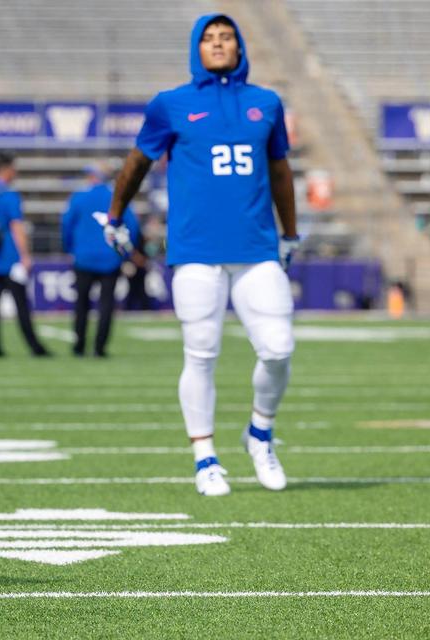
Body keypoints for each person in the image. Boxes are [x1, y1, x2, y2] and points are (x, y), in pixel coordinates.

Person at [104, 14, 299, 497]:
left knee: (278, 348)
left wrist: (290, 233)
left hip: (256, 248)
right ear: (196, 48)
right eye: (209, 38)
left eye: (226, 37)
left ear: (239, 47)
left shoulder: (266, 102)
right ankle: (205, 457)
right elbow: (137, 162)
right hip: (195, 250)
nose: (217, 44)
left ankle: (260, 432)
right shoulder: (171, 104)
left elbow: (280, 171)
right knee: (201, 352)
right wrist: (115, 215)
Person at [60, 164, 141, 358]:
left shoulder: (79, 197)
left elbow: (66, 224)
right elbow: (132, 227)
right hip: (110, 258)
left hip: (83, 258)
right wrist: (125, 252)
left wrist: (70, 248)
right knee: (106, 304)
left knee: (82, 304)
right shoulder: (117, 197)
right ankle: (99, 347)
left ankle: (79, 345)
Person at [0, 153, 49, 358]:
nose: (16, 172)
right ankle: (34, 346)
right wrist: (25, 255)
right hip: (10, 256)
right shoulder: (9, 195)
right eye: (13, 168)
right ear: (6, 169)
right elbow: (16, 227)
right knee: (22, 304)